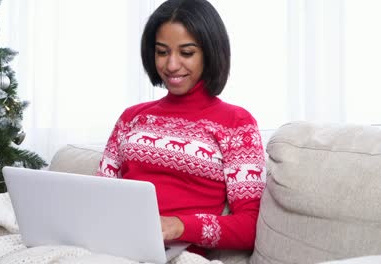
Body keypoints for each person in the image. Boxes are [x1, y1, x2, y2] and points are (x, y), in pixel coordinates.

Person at [97, 0, 266, 256]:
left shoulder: (236, 124)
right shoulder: (132, 117)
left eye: (186, 53)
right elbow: (100, 194)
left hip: (176, 253)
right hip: (114, 244)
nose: (171, 65)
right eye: (162, 52)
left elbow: (250, 227)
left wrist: (178, 226)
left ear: (210, 52)